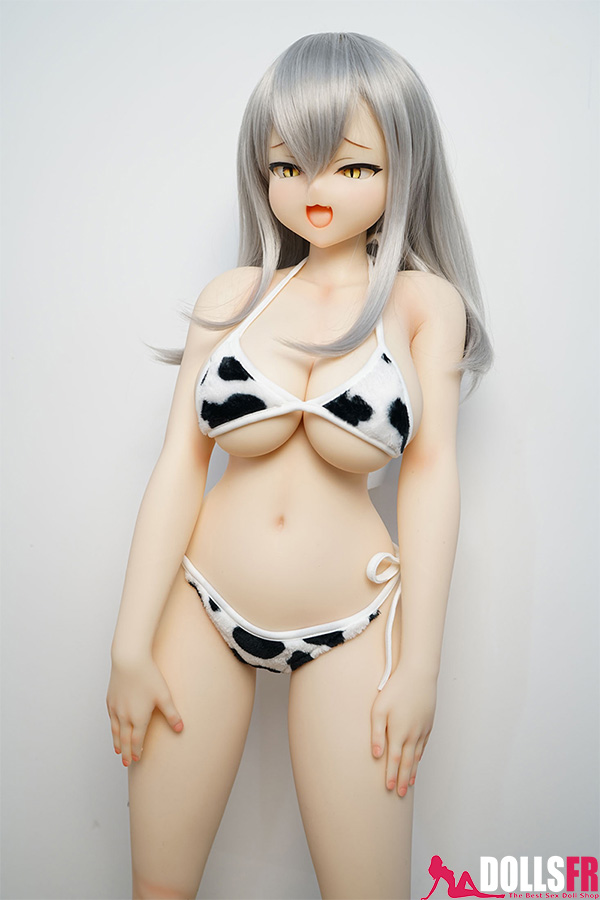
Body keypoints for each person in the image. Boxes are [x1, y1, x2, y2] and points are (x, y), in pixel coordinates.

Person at [106, 31, 493, 900]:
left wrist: (420, 665)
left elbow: (433, 478)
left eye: (351, 167)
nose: (315, 190)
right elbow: (178, 467)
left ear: (403, 169)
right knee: (157, 890)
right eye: (289, 164)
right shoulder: (234, 296)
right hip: (199, 604)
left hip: (356, 623)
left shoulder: (424, 306)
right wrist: (129, 642)